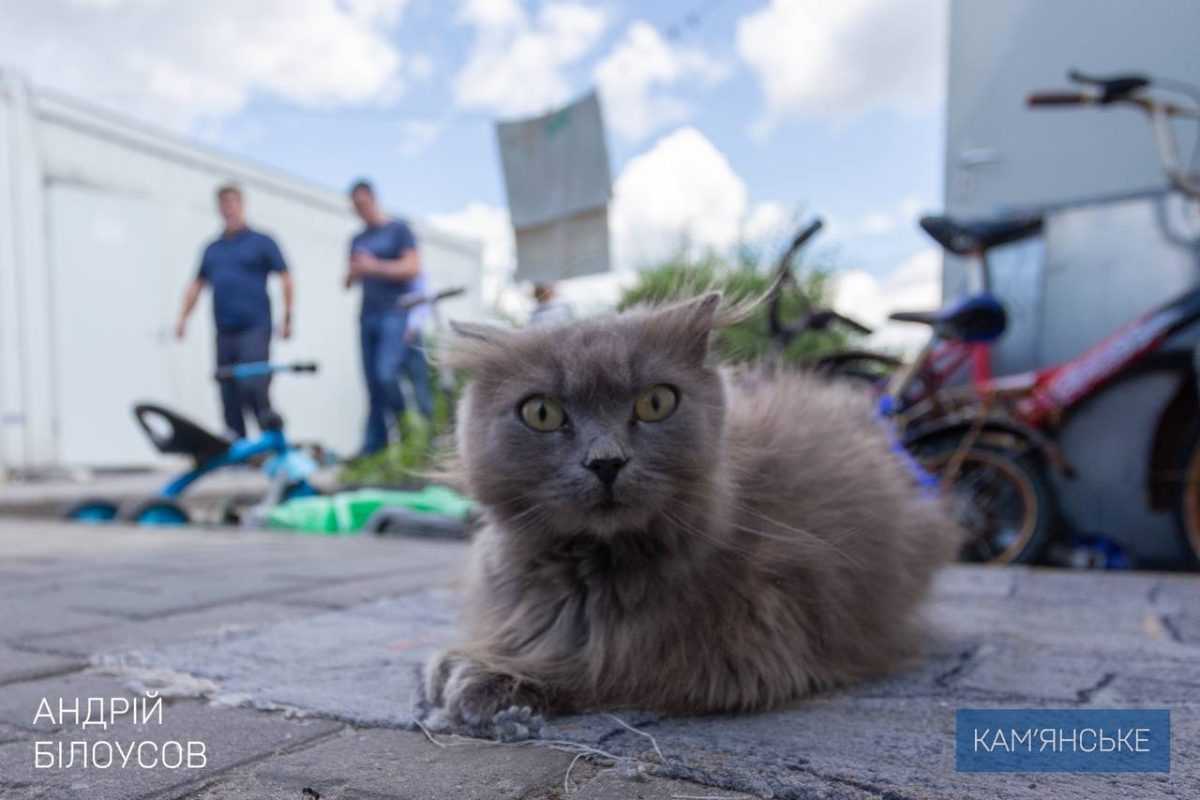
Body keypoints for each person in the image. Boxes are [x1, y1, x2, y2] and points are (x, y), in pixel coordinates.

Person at [175, 183, 293, 439]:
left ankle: (270, 442)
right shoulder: (212, 249)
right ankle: (238, 448)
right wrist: (183, 318)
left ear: (242, 204)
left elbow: (286, 277)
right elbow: (197, 284)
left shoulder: (262, 242)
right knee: (227, 388)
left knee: (253, 384)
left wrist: (287, 317)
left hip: (255, 327)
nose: (228, 208)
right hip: (224, 330)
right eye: (223, 204)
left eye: (232, 202)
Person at [345, 179, 434, 456]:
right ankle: (376, 447)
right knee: (372, 383)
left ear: (373, 199)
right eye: (355, 206)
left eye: (363, 203)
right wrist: (355, 271)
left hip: (395, 312)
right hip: (367, 315)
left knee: (387, 375)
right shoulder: (357, 239)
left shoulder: (398, 230)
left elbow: (412, 267)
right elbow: (348, 280)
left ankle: (408, 429)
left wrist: (375, 266)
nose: (360, 209)